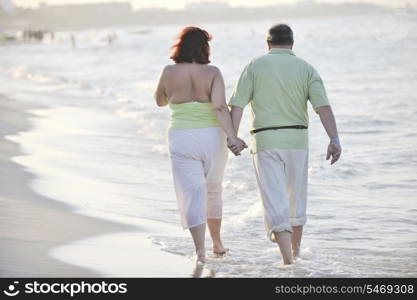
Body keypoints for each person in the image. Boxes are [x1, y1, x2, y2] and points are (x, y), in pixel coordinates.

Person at [229, 24, 342, 264]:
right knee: (296, 200)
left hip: (266, 141)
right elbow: (323, 108)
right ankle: (296, 253)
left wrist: (233, 136)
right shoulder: (306, 68)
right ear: (292, 44)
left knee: (274, 201)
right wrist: (334, 139)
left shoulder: (254, 66)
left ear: (268, 44)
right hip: (297, 142)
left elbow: (237, 104)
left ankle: (288, 261)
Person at [154, 27, 247, 263]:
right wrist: (232, 137)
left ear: (181, 46)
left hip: (182, 136)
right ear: (204, 48)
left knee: (193, 192)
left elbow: (159, 101)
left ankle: (200, 252)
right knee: (213, 190)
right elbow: (219, 108)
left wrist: (177, 94)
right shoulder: (213, 72)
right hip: (211, 138)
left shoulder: (168, 71)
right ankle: (217, 243)